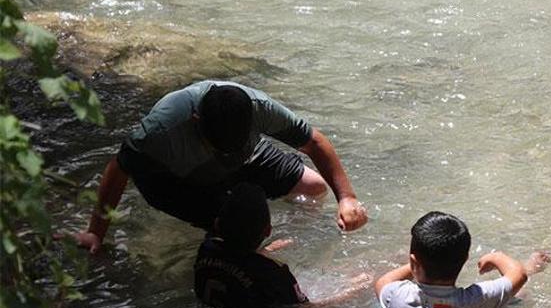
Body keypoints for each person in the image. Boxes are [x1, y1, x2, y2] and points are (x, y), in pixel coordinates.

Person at [72, 81, 367, 253]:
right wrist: (96, 232)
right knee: (235, 238)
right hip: (175, 176)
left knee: (314, 188)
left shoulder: (257, 108)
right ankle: (245, 248)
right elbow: (119, 167)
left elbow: (313, 142)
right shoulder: (162, 129)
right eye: (220, 149)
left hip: (243, 154)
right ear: (196, 123)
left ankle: (258, 239)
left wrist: (347, 197)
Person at [375, 211, 550, 308]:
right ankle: (530, 266)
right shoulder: (480, 299)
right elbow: (519, 275)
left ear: (414, 263)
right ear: (465, 260)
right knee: (518, 295)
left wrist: (423, 262)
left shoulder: (398, 296)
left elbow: (383, 281)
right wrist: (496, 257)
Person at [195, 182, 370, 308]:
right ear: (268, 231)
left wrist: (264, 252)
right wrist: (349, 292)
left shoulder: (207, 250)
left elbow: (236, 261)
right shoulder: (275, 274)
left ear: (217, 224)